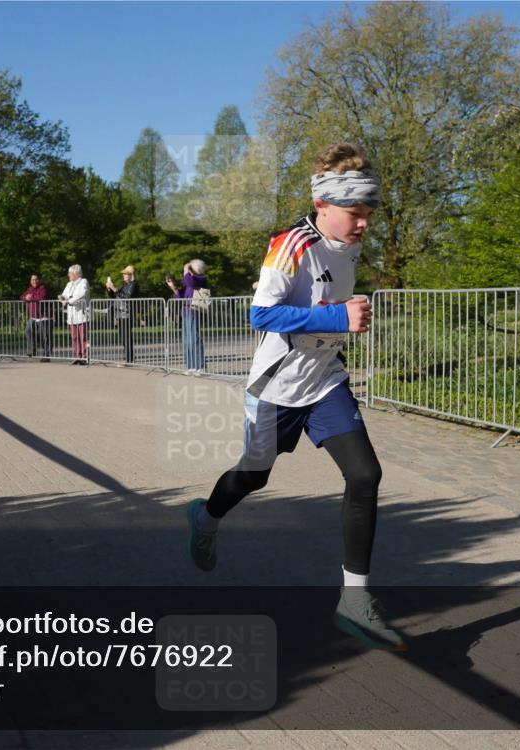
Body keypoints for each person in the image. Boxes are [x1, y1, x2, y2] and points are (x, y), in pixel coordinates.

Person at [185, 143, 406, 652]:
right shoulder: (290, 245)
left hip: (325, 381)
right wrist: (338, 318)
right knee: (254, 475)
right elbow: (260, 315)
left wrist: (343, 322)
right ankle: (206, 516)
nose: (364, 225)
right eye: (357, 213)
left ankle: (355, 602)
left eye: (370, 214)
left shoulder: (348, 247)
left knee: (365, 474)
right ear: (325, 206)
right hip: (278, 388)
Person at [166, 259, 209, 374]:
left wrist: (186, 269)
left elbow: (190, 282)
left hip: (194, 311)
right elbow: (181, 297)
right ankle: (191, 366)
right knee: (186, 340)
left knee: (195, 338)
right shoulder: (190, 281)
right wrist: (174, 288)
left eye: (191, 268)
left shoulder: (201, 279)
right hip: (185, 312)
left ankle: (200, 367)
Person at [105, 265, 140, 364]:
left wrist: (114, 288)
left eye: (126, 274)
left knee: (127, 336)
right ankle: (127, 357)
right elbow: (114, 296)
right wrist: (109, 289)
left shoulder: (134, 285)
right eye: (124, 274)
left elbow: (126, 297)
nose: (124, 275)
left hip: (128, 313)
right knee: (123, 336)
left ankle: (130, 359)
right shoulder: (124, 285)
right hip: (120, 313)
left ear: (131, 275)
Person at [58, 264, 90, 365]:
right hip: (71, 315)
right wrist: (61, 297)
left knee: (83, 337)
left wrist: (69, 301)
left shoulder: (83, 281)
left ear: (76, 273)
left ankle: (85, 357)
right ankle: (77, 356)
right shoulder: (69, 284)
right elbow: (65, 295)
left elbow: (82, 294)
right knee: (74, 337)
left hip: (82, 314)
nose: (68, 275)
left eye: (70, 273)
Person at [21, 273, 51, 361]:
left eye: (36, 279)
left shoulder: (43, 287)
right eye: (32, 280)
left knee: (44, 336)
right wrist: (26, 298)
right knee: (28, 331)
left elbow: (42, 297)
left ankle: (46, 356)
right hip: (33, 316)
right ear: (30, 281)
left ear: (39, 280)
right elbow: (23, 296)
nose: (34, 281)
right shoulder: (30, 289)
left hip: (43, 316)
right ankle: (32, 350)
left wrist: (31, 298)